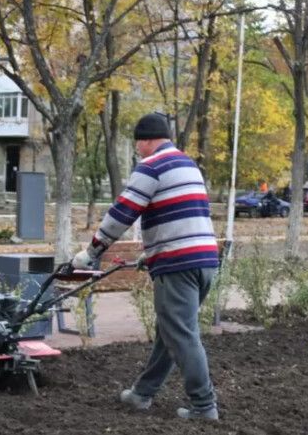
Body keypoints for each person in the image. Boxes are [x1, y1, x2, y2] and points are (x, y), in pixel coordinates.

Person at [71, 112, 220, 421]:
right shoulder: (188, 164)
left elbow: (122, 213)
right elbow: (184, 214)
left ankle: (204, 406)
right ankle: (142, 393)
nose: (137, 149)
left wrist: (92, 251)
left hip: (177, 264)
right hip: (204, 260)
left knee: (182, 335)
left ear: (147, 140)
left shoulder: (151, 166)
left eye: (138, 143)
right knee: (170, 332)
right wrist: (151, 255)